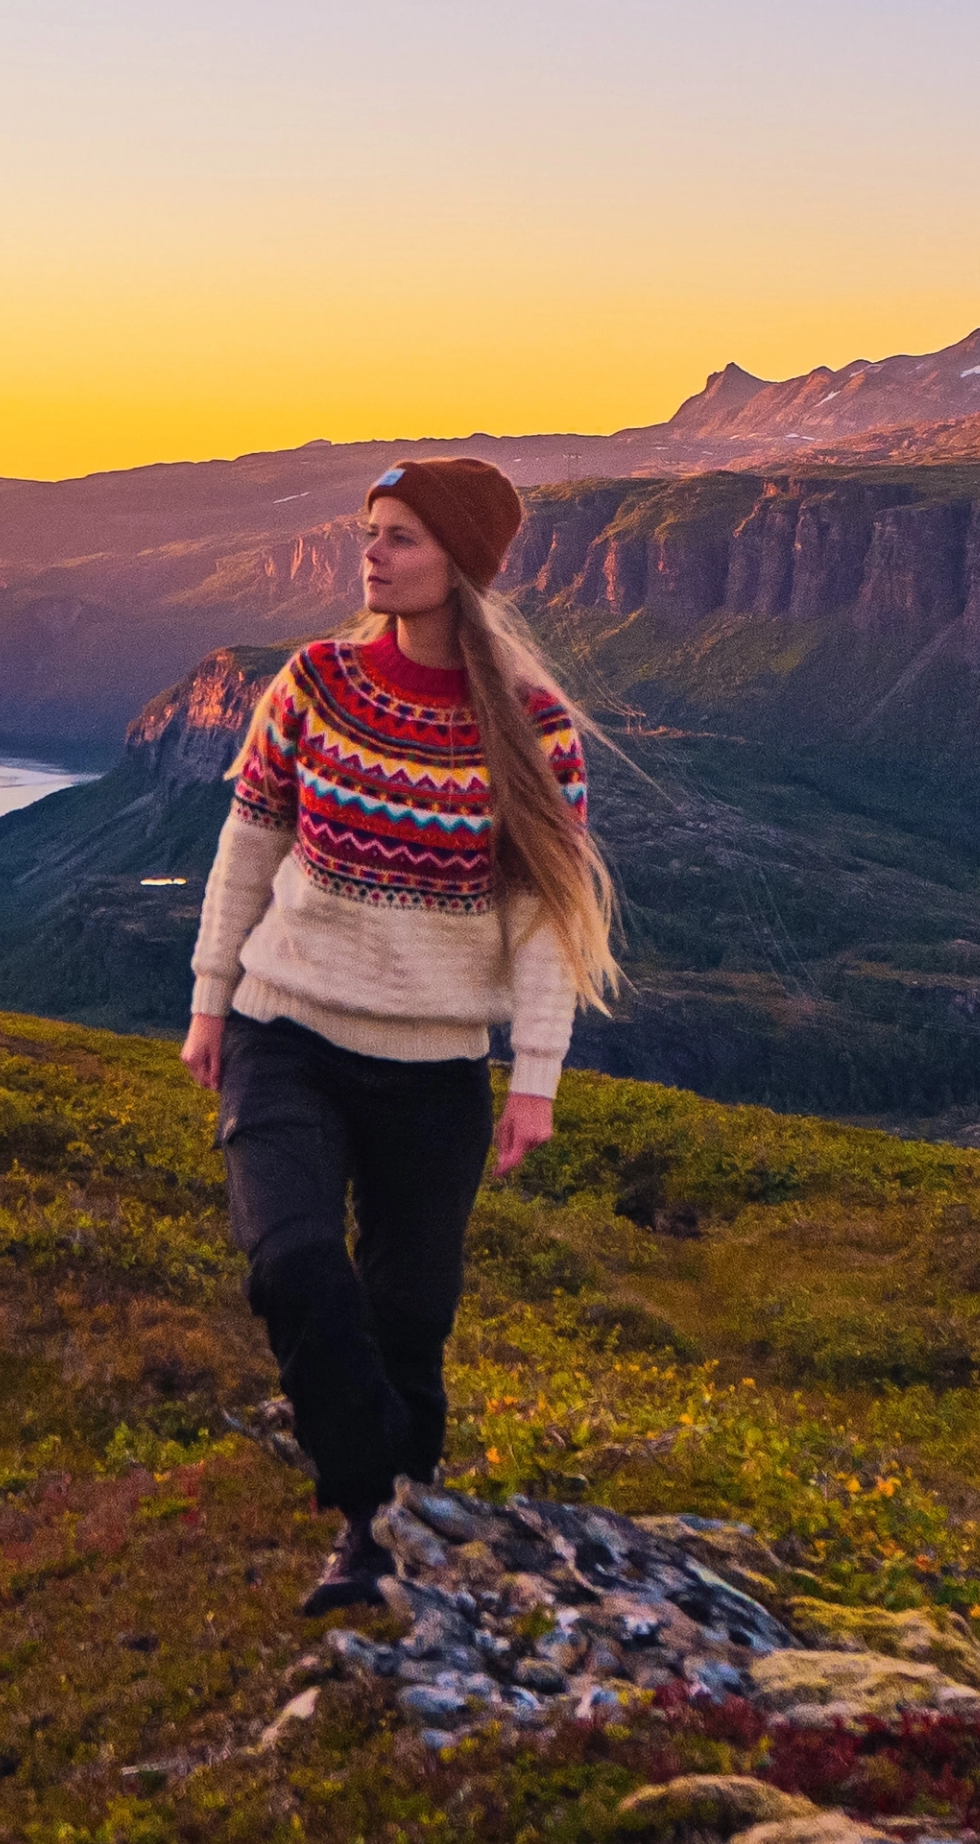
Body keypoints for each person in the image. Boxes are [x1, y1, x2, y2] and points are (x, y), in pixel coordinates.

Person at [181, 456, 622, 1614]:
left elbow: (545, 923)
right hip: (288, 1031)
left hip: (434, 1071)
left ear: (462, 565)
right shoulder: (314, 681)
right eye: (371, 532)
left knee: (412, 1315)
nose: (372, 554)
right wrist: (210, 1000)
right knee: (290, 1263)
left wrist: (536, 1077)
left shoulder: (533, 729)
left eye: (404, 538)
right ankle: (376, 1491)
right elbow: (248, 845)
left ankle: (374, 1550)